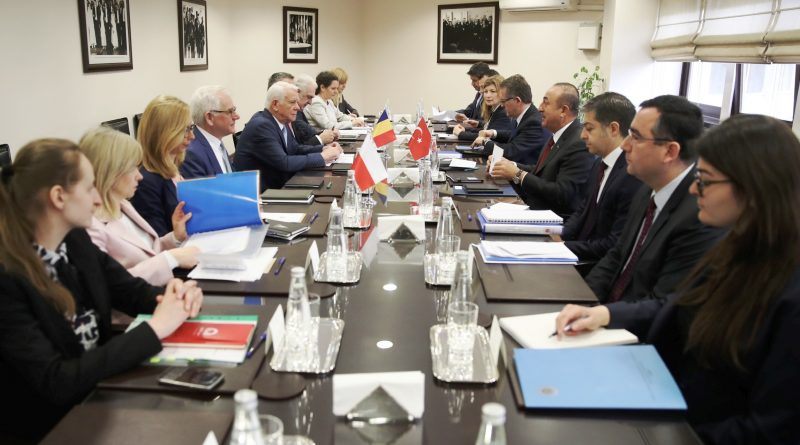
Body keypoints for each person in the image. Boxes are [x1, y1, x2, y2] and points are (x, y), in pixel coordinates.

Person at [555, 114, 800, 445]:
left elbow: (773, 429)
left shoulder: (789, 290)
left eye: (706, 180)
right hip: (671, 403)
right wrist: (604, 314)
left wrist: (670, 436)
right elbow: (681, 305)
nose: (695, 188)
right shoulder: (737, 247)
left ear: (754, 188)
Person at [0, 139, 203, 441]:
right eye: (89, 188)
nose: (97, 199)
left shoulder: (74, 241)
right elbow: (57, 381)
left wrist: (175, 297)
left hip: (104, 393)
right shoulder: (8, 279)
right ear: (58, 197)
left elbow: (130, 292)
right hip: (55, 425)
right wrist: (155, 328)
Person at [583, 95, 723, 303]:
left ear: (670, 151)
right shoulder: (647, 189)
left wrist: (602, 314)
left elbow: (662, 302)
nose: (625, 145)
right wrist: (580, 298)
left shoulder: (698, 215)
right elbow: (616, 256)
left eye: (636, 137)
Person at [80, 127, 200, 286]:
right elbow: (112, 285)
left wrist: (175, 237)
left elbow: (148, 252)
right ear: (110, 172)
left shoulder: (123, 205)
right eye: (132, 168)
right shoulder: (90, 226)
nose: (140, 176)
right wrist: (171, 258)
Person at [560, 92, 643, 264]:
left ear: (613, 129)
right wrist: (560, 234)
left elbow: (613, 244)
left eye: (589, 128)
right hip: (577, 251)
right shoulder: (599, 163)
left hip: (592, 263)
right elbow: (582, 210)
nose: (583, 135)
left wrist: (563, 246)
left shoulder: (630, 175)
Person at [490, 82, 594, 218]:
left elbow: (562, 193)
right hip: (536, 209)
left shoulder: (579, 142)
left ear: (563, 110)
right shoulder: (557, 135)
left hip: (554, 221)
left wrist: (517, 174)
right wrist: (510, 166)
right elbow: (543, 171)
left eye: (546, 103)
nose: (539, 108)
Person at [233, 81, 343, 191]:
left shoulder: (281, 120)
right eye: (292, 102)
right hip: (261, 193)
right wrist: (322, 157)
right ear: (275, 105)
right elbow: (284, 163)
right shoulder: (262, 125)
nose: (298, 107)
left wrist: (322, 149)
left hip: (279, 185)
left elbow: (295, 149)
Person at [130, 95, 194, 236]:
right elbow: (157, 239)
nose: (192, 136)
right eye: (185, 130)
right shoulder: (146, 183)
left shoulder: (177, 167)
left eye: (191, 128)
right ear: (165, 133)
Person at [471, 74, 548, 165]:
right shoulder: (523, 115)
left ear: (517, 100)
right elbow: (513, 135)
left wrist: (485, 142)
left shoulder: (534, 123)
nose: (502, 105)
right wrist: (493, 133)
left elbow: (511, 152)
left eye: (503, 101)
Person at [180, 85, 240, 179]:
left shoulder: (217, 143)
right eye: (230, 112)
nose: (236, 116)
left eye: (234, 110)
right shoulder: (192, 154)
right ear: (209, 117)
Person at [452, 74, 514, 143]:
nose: (488, 95)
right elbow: (485, 131)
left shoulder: (503, 112)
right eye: (486, 91)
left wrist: (461, 134)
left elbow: (488, 137)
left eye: (493, 91)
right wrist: (465, 129)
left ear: (502, 93)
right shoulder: (495, 109)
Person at [294, 73, 338, 146]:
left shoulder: (299, 111)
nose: (310, 102)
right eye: (309, 97)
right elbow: (297, 148)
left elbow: (308, 132)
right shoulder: (294, 113)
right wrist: (321, 139)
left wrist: (328, 134)